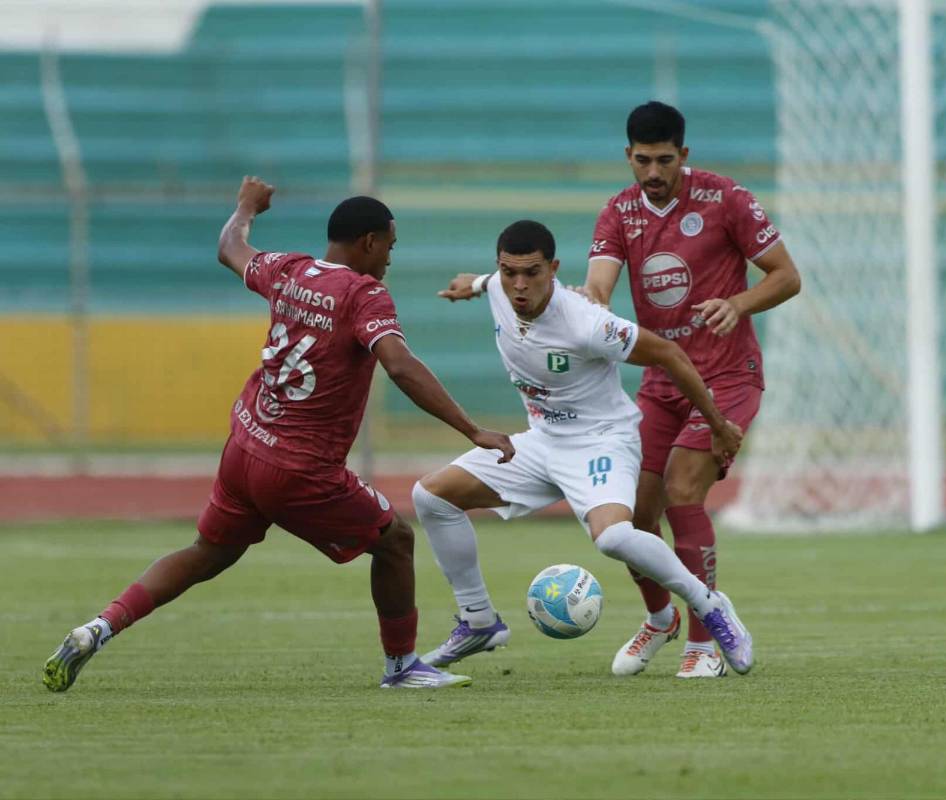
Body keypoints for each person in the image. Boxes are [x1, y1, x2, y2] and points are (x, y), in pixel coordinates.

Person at [42, 176, 515, 693]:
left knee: (207, 551)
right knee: (396, 541)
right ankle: (402, 666)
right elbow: (400, 367)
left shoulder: (287, 269)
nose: (389, 260)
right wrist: (472, 429)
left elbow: (230, 247)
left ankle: (99, 626)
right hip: (299, 467)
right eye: (390, 247)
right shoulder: (364, 293)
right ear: (369, 243)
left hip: (245, 444)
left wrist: (245, 206)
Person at [411, 219, 754, 677]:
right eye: (508, 272)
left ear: (553, 269)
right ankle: (478, 621)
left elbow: (670, 356)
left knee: (612, 537)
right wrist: (470, 285)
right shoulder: (500, 287)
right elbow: (489, 282)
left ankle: (709, 606)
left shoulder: (588, 324)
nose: (518, 285)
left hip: (601, 441)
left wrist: (716, 423)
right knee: (430, 497)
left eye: (531, 273)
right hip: (542, 442)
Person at [583, 101, 802, 678]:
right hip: (663, 381)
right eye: (642, 160)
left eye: (664, 160)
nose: (653, 172)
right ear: (627, 157)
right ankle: (661, 618)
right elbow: (599, 282)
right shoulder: (618, 213)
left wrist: (739, 303)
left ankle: (705, 642)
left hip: (729, 376)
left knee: (684, 488)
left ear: (685, 155)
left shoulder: (725, 198)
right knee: (629, 517)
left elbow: (787, 275)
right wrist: (594, 303)